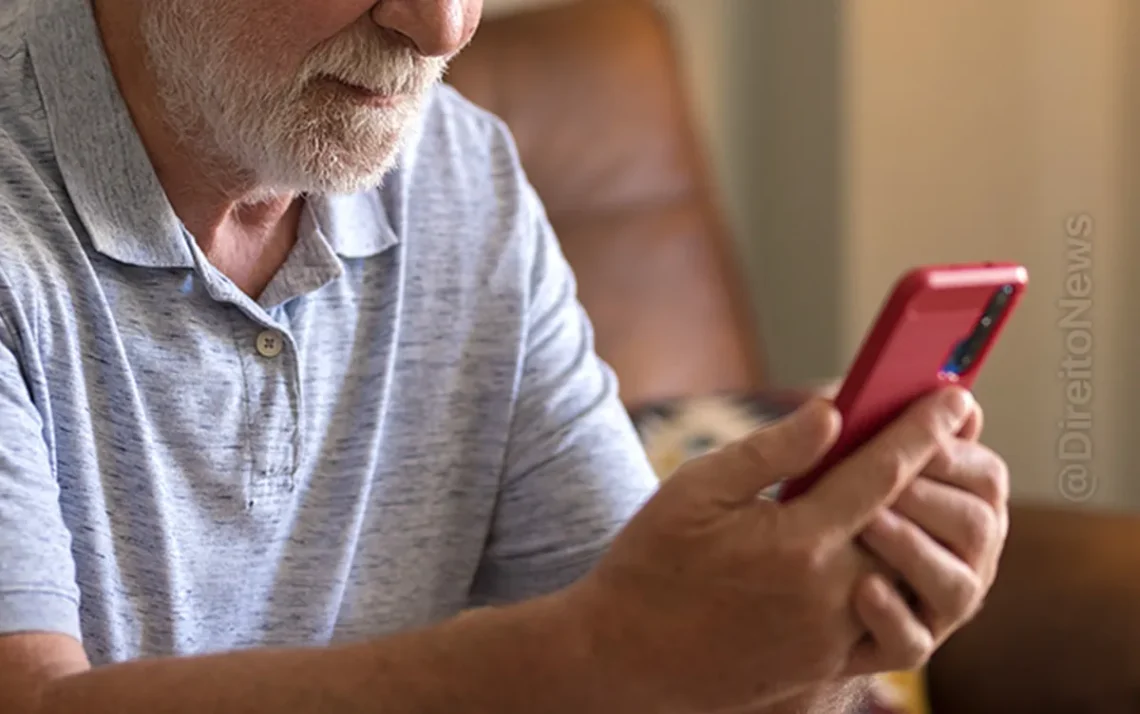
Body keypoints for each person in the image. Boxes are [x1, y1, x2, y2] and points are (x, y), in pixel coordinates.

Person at [0, 1, 1010, 712]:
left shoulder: (458, 172)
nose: (443, 27)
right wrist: (599, 654)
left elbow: (658, 665)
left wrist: (811, 636)